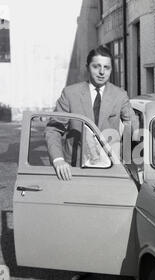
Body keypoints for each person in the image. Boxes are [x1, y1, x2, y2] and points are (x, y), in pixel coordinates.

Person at [45, 45, 139, 181]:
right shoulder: (70, 94)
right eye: (96, 66)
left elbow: (134, 125)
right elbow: (53, 129)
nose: (102, 72)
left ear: (111, 70)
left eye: (106, 67)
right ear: (87, 67)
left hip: (110, 168)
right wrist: (58, 159)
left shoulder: (120, 95)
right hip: (74, 170)